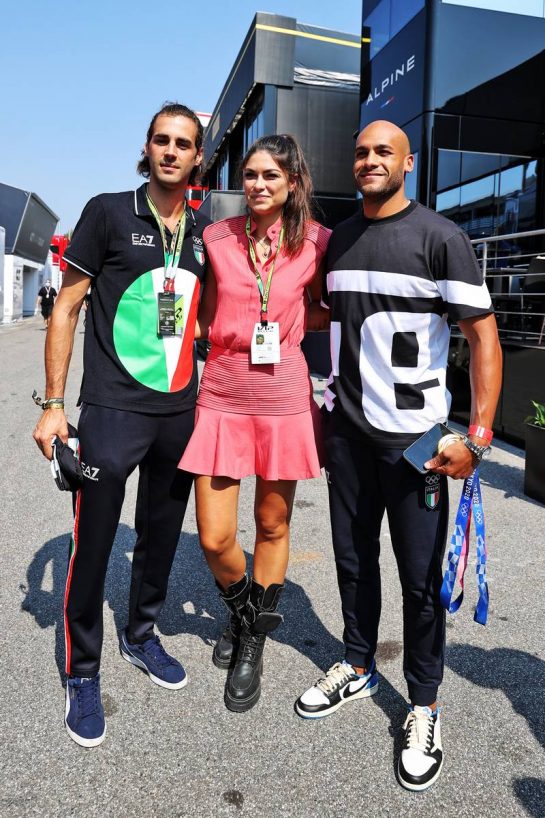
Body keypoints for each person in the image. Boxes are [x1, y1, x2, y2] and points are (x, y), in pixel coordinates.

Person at [294, 120, 502, 792]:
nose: (368, 160)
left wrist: (476, 436)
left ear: (407, 163)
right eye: (359, 151)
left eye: (382, 151)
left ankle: (423, 705)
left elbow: (483, 338)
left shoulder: (440, 237)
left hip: (418, 444)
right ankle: (357, 666)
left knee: (418, 583)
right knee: (353, 562)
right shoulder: (341, 238)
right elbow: (331, 315)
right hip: (348, 434)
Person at [32, 102, 209, 748]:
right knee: (95, 545)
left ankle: (140, 635)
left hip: (177, 413)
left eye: (182, 143)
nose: (170, 150)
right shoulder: (108, 211)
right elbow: (67, 308)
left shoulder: (202, 232)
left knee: (160, 537)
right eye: (161, 140)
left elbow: (205, 321)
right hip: (110, 410)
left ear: (197, 157)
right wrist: (54, 405)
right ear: (148, 148)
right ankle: (82, 673)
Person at [179, 134, 330, 713]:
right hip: (221, 389)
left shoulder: (318, 242)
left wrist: (289, 320)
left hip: (283, 392)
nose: (259, 185)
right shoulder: (214, 239)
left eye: (271, 175)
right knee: (216, 536)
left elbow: (327, 307)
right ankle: (248, 609)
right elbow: (200, 310)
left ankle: (251, 642)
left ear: (293, 181)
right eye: (250, 174)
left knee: (272, 524)